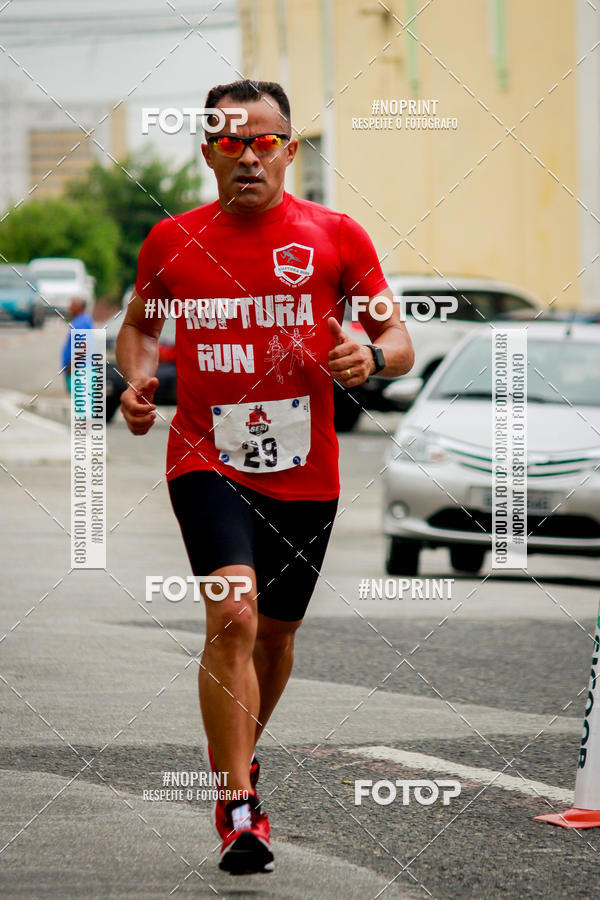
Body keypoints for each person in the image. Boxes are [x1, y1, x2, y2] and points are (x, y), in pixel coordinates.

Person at [116, 79, 414, 876]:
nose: (249, 156)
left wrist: (374, 357)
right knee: (236, 618)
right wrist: (136, 383)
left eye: (266, 141)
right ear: (208, 151)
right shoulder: (172, 240)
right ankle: (237, 804)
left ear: (290, 149)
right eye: (230, 141)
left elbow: (397, 338)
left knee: (278, 635)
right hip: (204, 457)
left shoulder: (335, 235)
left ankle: (241, 757)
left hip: (305, 468)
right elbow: (139, 328)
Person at [61, 296, 94, 393]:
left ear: (78, 307)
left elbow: (83, 345)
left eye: (72, 304)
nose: (69, 307)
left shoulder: (81, 322)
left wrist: (72, 366)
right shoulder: (81, 320)